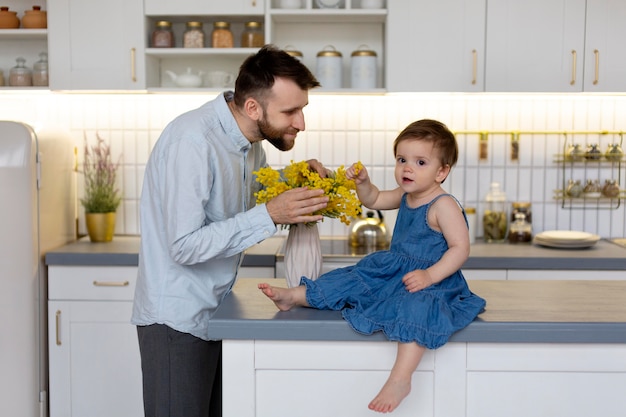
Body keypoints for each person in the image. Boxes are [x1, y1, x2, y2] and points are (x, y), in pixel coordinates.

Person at [131, 44, 330, 417]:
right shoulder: (192, 142)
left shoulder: (248, 144)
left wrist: (293, 177)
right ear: (253, 107)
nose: (301, 122)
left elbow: (248, 190)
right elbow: (184, 246)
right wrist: (272, 213)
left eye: (302, 109)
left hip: (215, 310)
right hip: (177, 318)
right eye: (291, 111)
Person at [258, 119, 486, 414]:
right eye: (402, 159)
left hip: (434, 280)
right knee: (354, 277)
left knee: (417, 307)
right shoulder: (406, 195)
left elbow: (460, 249)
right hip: (396, 270)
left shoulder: (443, 205)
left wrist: (430, 275)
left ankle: (400, 378)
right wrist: (362, 183)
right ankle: (294, 296)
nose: (407, 168)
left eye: (420, 162)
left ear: (442, 171)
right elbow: (375, 198)